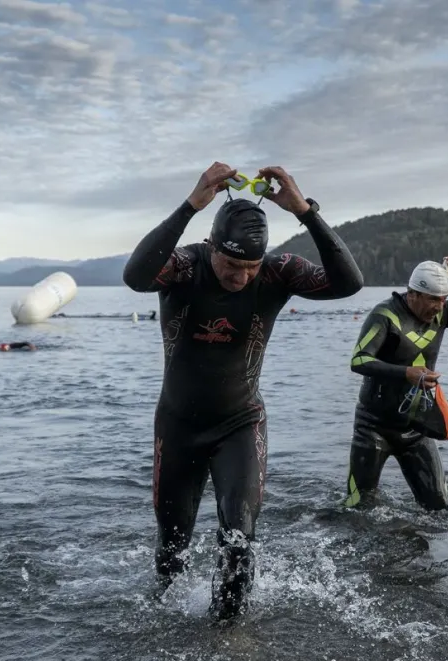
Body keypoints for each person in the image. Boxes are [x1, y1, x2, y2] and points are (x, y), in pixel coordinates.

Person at [122, 161, 363, 623]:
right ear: (212, 247)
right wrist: (191, 204)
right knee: (173, 543)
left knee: (239, 539)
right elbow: (135, 277)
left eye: (250, 266)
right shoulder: (185, 265)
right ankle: (161, 622)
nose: (242, 276)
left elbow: (348, 284)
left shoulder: (276, 273)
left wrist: (304, 211)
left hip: (240, 422)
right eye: (232, 265)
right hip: (177, 426)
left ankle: (229, 636)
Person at [343, 256, 448, 511]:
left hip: (417, 429)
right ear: (413, 293)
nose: (439, 306)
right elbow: (358, 360)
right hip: (373, 427)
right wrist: (407, 373)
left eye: (443, 299)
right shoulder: (385, 315)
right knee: (358, 507)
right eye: (433, 299)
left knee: (438, 508)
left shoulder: (443, 314)